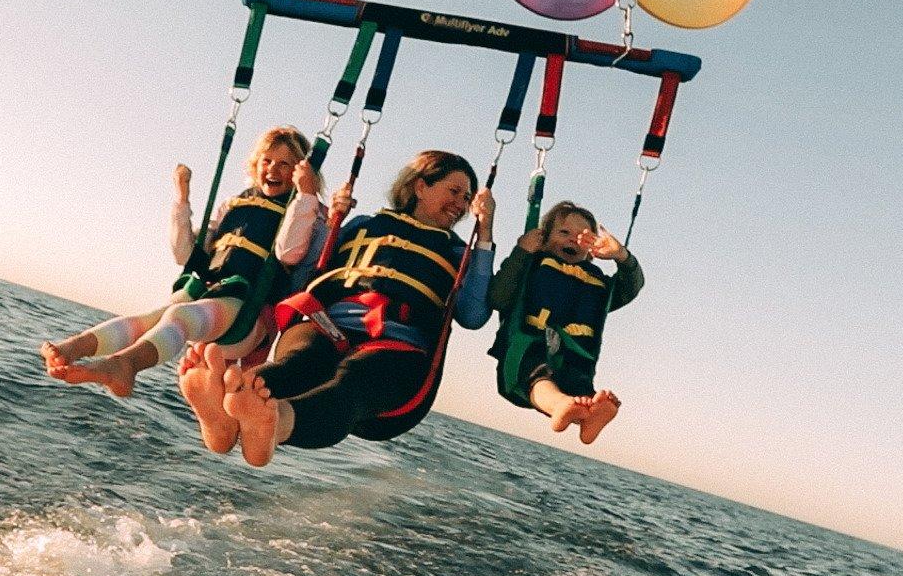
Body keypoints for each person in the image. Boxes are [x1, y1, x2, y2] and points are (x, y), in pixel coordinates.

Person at [183, 150, 495, 464]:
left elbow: (472, 314)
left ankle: (272, 421)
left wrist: (484, 234)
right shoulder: (362, 224)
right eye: (454, 191)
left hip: (396, 343)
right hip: (326, 325)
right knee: (299, 362)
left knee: (353, 382)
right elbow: (305, 273)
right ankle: (225, 415)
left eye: (467, 198)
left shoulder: (459, 252)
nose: (461, 203)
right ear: (420, 186)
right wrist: (331, 222)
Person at [41, 126, 325, 397]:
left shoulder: (301, 209)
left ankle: (125, 365)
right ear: (256, 163)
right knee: (156, 316)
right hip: (207, 293)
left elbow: (288, 253)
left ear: (300, 173)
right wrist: (182, 199)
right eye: (267, 160)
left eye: (285, 164)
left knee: (179, 316)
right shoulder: (234, 204)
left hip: (246, 313)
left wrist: (306, 195)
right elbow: (184, 254)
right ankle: (77, 347)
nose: (273, 169)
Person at [487, 201, 642, 444]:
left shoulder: (596, 282)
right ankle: (561, 404)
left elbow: (631, 288)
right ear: (544, 239)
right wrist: (522, 251)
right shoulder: (530, 265)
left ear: (591, 247)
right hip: (527, 345)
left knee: (579, 383)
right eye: (564, 232)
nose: (572, 239)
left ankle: (591, 414)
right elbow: (498, 297)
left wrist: (621, 256)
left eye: (582, 236)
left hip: (575, 353)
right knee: (536, 372)